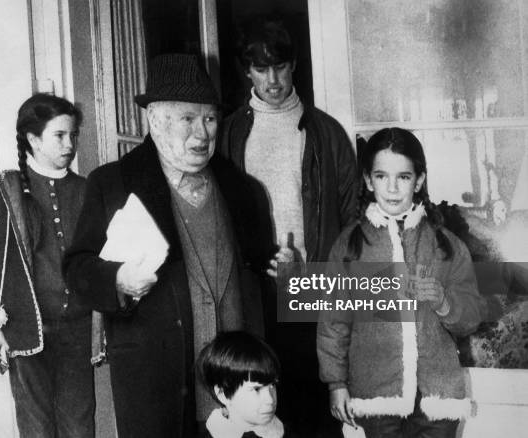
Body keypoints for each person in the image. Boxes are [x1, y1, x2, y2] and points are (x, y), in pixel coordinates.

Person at [63, 53, 273, 438]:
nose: (203, 133)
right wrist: (118, 280)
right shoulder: (113, 184)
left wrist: (283, 269)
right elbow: (78, 268)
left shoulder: (245, 190)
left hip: (236, 387)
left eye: (209, 118)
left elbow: (262, 277)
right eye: (188, 119)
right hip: (156, 380)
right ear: (155, 121)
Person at [218, 15, 358, 437]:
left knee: (313, 402)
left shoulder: (327, 133)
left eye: (279, 66)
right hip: (253, 290)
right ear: (247, 71)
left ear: (293, 65)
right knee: (256, 406)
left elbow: (353, 218)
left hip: (313, 286)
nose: (272, 79)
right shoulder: (228, 134)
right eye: (261, 69)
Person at [317, 128, 485, 437]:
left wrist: (444, 302)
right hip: (377, 394)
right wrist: (336, 383)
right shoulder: (349, 246)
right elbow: (333, 321)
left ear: (419, 180)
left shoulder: (445, 245)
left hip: (438, 395)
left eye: (404, 177)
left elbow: (471, 318)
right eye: (382, 176)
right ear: (368, 180)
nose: (392, 188)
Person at [0, 93, 94, 437]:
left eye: (73, 135)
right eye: (60, 136)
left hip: (78, 330)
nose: (70, 144)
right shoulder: (9, 191)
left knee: (80, 425)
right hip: (26, 329)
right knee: (36, 426)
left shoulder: (86, 190)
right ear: (33, 139)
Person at [196, 331, 292, 438]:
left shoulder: (282, 432)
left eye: (272, 385)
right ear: (222, 394)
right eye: (257, 389)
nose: (270, 400)